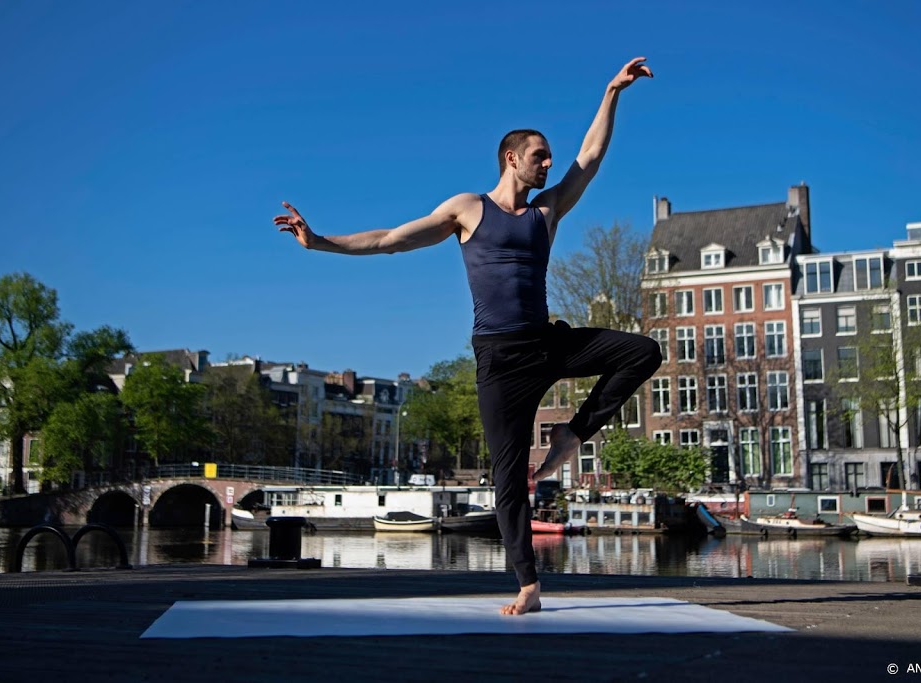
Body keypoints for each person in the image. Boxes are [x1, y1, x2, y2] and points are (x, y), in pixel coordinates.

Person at [275, 57, 663, 615]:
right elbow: (391, 238)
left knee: (642, 351)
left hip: (546, 342)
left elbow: (591, 158)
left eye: (550, 157)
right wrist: (321, 242)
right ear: (512, 158)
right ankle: (528, 583)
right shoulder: (467, 209)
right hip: (499, 359)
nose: (549, 165)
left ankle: (573, 435)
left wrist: (611, 92)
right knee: (507, 474)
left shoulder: (547, 211)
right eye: (539, 156)